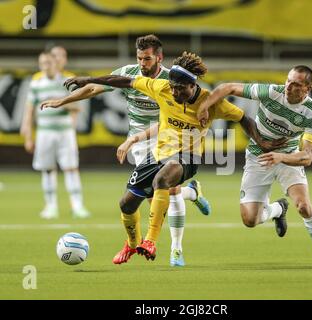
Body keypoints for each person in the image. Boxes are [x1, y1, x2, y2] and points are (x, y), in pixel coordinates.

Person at [40, 51, 285, 263]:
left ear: (193, 85)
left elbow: (243, 117)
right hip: (159, 153)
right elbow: (122, 81)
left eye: (181, 88)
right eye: (174, 87)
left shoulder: (210, 101)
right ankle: (132, 244)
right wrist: (89, 79)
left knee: (163, 181)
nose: (176, 92)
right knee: (126, 203)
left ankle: (151, 241)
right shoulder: (162, 87)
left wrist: (262, 142)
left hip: (188, 156)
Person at [45, 35, 211, 267]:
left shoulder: (171, 81)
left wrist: (135, 138)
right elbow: (94, 87)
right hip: (140, 144)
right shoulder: (129, 72)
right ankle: (191, 194)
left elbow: (171, 118)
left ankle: (176, 249)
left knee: (168, 191)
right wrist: (62, 101)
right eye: (139, 58)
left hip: (167, 139)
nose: (142, 63)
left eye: (147, 59)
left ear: (159, 58)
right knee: (153, 194)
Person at [197, 65, 312, 269]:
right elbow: (228, 87)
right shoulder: (272, 92)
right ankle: (277, 209)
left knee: (304, 207)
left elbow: (307, 156)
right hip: (258, 157)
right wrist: (204, 106)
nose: (288, 86)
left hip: (288, 158)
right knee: (250, 220)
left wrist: (281, 157)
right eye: (288, 81)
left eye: (296, 84)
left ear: (308, 88)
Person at [20, 51, 91, 219]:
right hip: (44, 133)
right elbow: (29, 111)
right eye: (42, 63)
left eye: (49, 62)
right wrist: (28, 136)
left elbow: (78, 107)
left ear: (55, 63)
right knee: (47, 169)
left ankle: (78, 206)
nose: (46, 66)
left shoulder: (65, 82)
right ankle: (50, 206)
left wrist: (60, 103)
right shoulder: (36, 84)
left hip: (65, 132)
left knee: (71, 168)